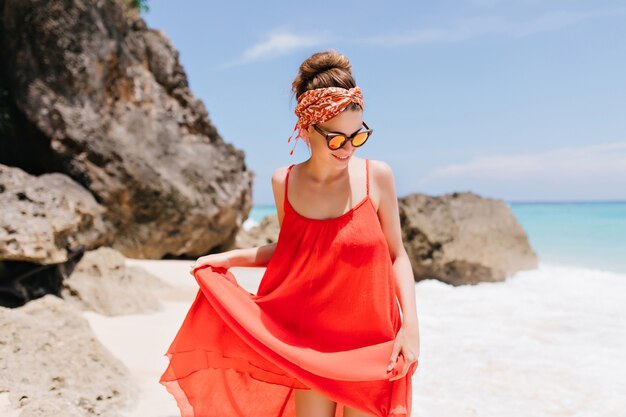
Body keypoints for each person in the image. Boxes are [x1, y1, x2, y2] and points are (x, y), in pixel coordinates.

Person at [160, 49, 421, 417]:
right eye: (335, 139)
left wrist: (410, 327)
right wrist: (227, 258)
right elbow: (293, 250)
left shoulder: (376, 177)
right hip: (309, 345)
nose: (347, 148)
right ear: (305, 128)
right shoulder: (285, 182)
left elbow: (397, 255)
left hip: (373, 345)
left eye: (357, 137)